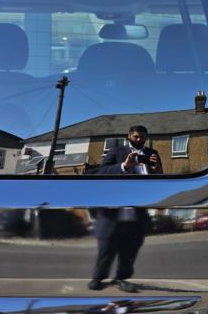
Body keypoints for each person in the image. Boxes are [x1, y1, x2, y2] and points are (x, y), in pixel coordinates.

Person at [88, 125, 162, 293]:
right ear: (129, 136)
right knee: (107, 244)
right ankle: (98, 277)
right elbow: (100, 172)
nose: (139, 139)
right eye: (136, 136)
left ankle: (122, 278)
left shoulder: (152, 153)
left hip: (138, 208)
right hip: (113, 208)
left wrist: (156, 169)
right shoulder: (116, 151)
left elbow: (159, 180)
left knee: (131, 247)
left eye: (142, 137)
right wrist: (124, 165)